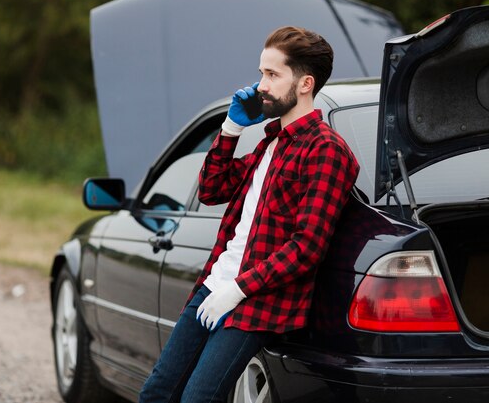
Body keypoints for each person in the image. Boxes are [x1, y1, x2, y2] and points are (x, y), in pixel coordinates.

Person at [138, 25, 359, 403]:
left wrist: (236, 290)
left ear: (305, 84)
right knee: (157, 391)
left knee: (197, 399)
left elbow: (306, 247)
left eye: (272, 75)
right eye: (261, 73)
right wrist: (231, 128)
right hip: (215, 284)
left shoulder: (326, 150)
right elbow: (211, 190)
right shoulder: (270, 142)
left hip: (255, 300)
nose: (261, 85)